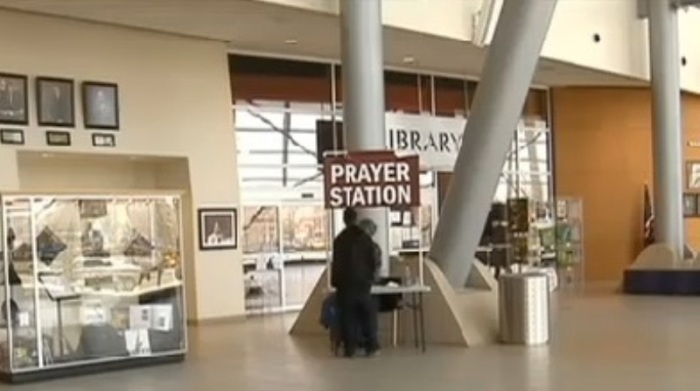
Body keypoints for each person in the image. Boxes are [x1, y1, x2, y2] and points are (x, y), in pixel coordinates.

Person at [331, 208, 380, 358]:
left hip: (345, 284)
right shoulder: (365, 238)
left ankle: (349, 348)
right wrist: (371, 278)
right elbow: (373, 260)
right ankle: (371, 346)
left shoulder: (339, 240)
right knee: (367, 315)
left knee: (348, 316)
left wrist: (335, 282)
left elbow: (336, 263)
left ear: (344, 220)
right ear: (356, 218)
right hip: (363, 283)